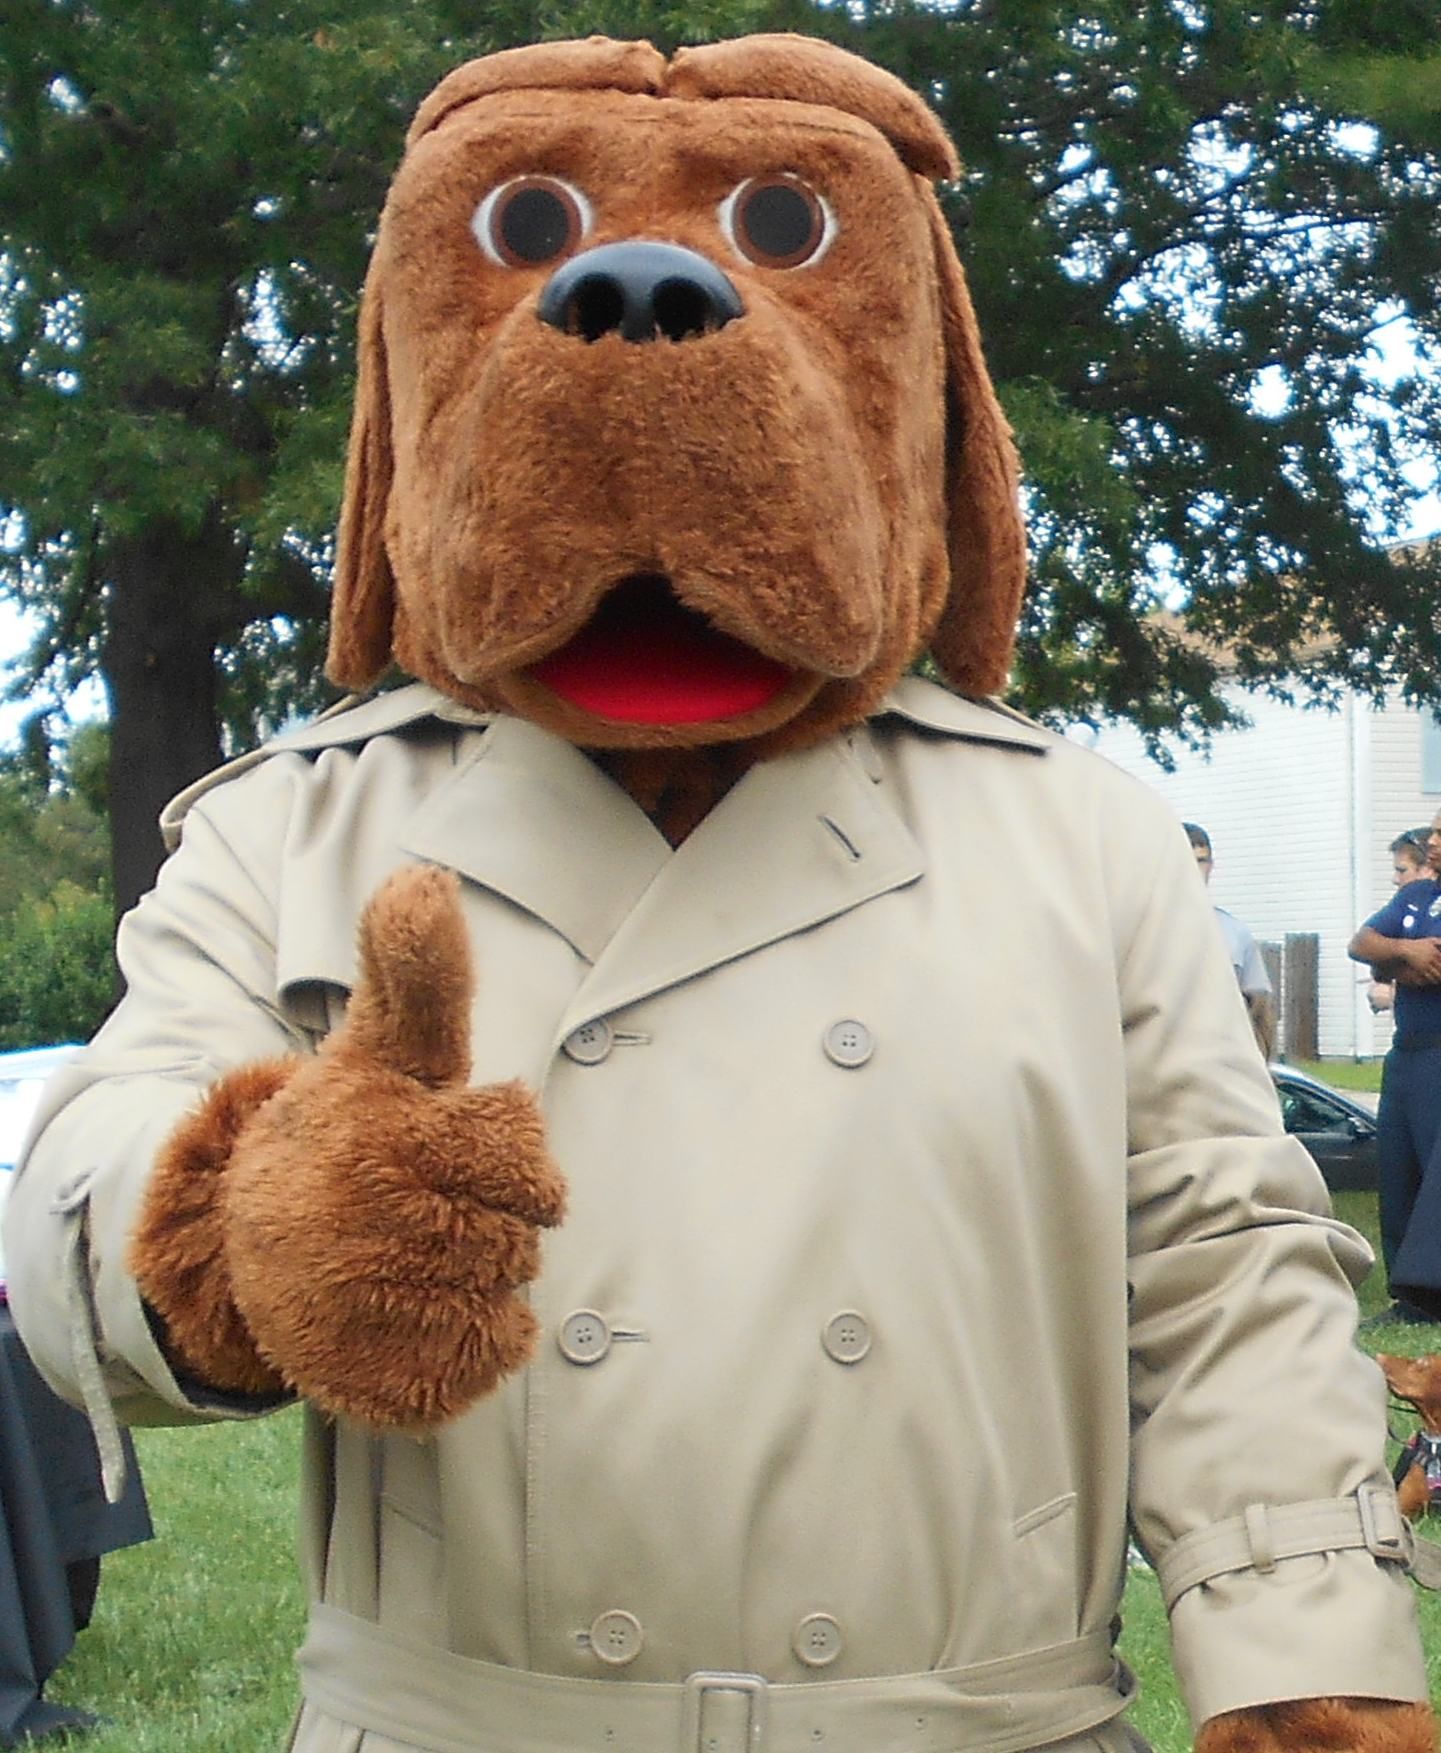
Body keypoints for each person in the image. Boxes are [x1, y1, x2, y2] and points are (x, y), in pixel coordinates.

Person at [1349, 810, 1441, 1324]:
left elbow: (1435, 970)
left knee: (1436, 1176)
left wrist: (1393, 964)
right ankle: (1408, 1296)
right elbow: (1362, 943)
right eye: (1432, 832)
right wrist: (1403, 951)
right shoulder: (1416, 897)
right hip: (1406, 1051)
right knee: (1399, 1168)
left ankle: (1432, 1292)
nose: (1432, 842)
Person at [1184, 824, 1276, 1061]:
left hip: (1222, 1060)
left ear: (1211, 866)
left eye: (1201, 861)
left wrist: (1266, 1069)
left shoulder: (1234, 932)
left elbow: (1260, 1010)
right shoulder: (1144, 927)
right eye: (1186, 861)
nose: (1195, 870)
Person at [1365, 831, 1431, 1013]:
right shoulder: (1409, 905)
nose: (1395, 880)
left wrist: (1394, 994)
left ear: (1428, 868)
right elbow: (1361, 944)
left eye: (1402, 870)